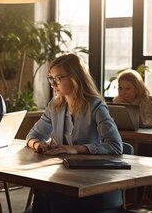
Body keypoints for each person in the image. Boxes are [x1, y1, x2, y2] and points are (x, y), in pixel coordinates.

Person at [25, 53, 123, 212]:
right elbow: (32, 136)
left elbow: (115, 146)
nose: (53, 84)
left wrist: (77, 148)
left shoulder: (96, 106)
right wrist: (38, 145)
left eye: (58, 78)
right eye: (51, 78)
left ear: (75, 78)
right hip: (62, 179)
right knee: (44, 198)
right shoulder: (55, 105)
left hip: (91, 184)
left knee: (46, 200)